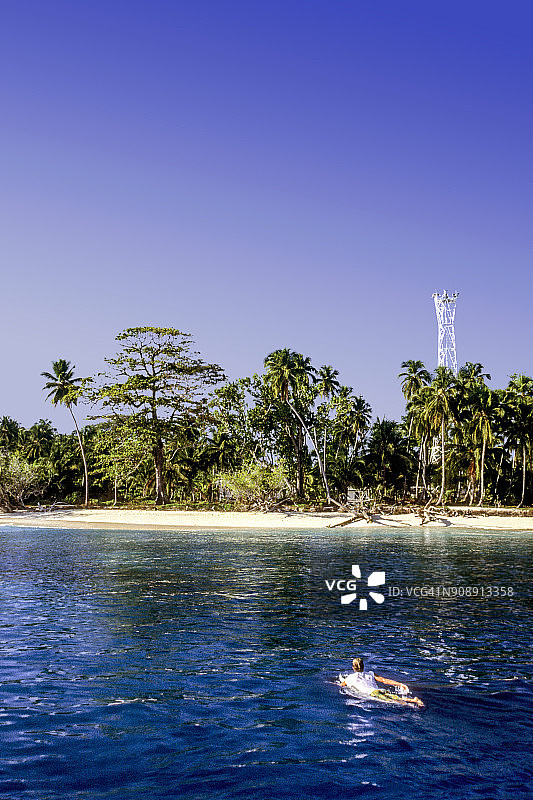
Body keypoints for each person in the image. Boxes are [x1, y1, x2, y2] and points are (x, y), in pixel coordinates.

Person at [340, 657, 424, 708]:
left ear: (353, 667)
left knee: (392, 701)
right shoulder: (370, 673)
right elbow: (385, 680)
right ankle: (413, 700)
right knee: (394, 697)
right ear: (363, 666)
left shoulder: (350, 677)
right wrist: (400, 684)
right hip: (379, 690)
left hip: (372, 693)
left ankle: (412, 703)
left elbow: (342, 685)